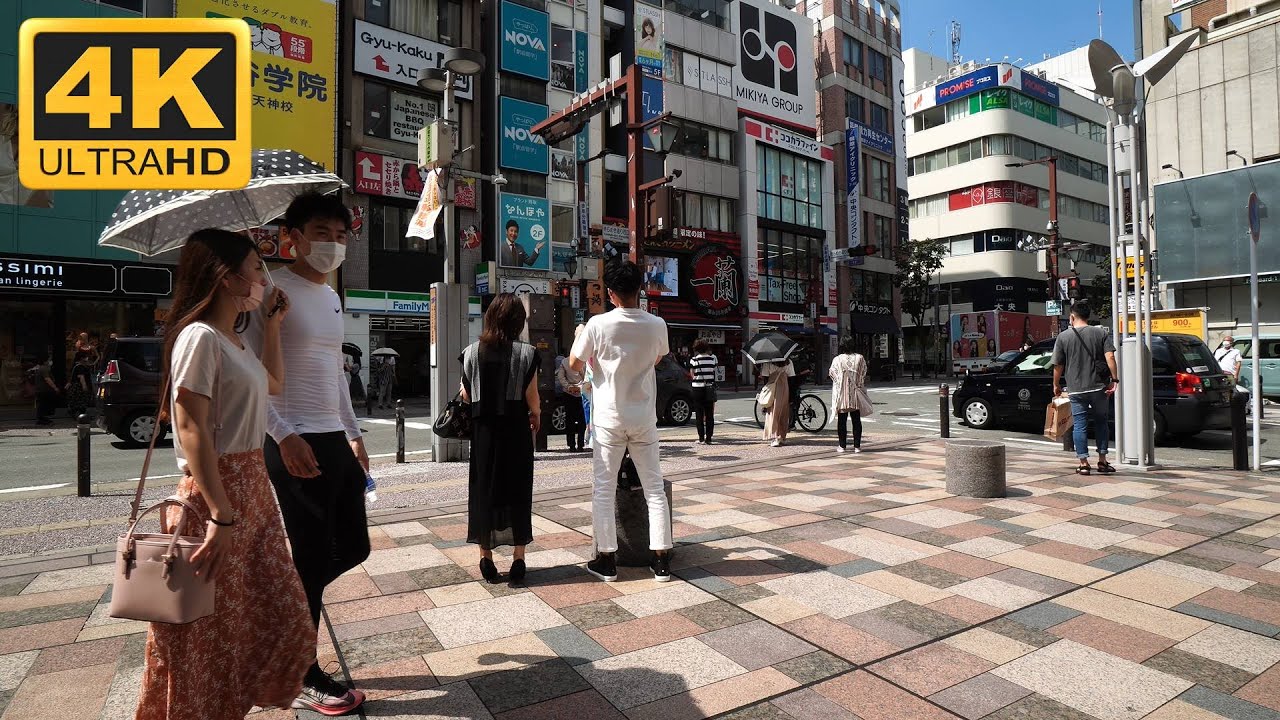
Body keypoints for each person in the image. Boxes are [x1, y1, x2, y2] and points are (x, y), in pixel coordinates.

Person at [134, 228, 314, 720]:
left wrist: (272, 326)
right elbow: (190, 424)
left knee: (279, 615)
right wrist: (220, 513)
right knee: (205, 633)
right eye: (258, 268)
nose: (265, 278)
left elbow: (272, 383)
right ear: (229, 277)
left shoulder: (232, 339)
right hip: (218, 496)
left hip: (252, 490)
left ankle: (227, 705)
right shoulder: (198, 337)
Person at [244, 193, 370, 715]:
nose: (332, 244)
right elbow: (253, 371)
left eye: (341, 235)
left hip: (331, 438)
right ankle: (301, 669)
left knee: (353, 547)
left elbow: (333, 372)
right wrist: (281, 435)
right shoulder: (270, 291)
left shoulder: (331, 296)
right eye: (321, 232)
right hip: (291, 438)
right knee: (314, 556)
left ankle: (277, 613)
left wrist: (354, 432)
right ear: (292, 237)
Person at [568, 260, 673, 582]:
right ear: (640, 289)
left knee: (603, 488)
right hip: (643, 417)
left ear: (610, 293)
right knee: (653, 487)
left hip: (608, 418)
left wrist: (589, 349)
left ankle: (607, 561)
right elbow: (658, 357)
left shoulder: (597, 325)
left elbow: (574, 365)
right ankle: (661, 562)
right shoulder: (657, 324)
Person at [460, 294, 540, 587]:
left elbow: (466, 395)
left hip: (483, 435)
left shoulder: (471, 353)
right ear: (519, 322)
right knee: (518, 489)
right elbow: (532, 395)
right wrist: (536, 415)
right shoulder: (527, 354)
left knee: (484, 490)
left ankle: (486, 557)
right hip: (516, 431)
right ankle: (519, 557)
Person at [1051, 302, 1119, 476]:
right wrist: (1115, 379)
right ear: (1088, 316)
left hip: (1076, 388)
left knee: (1080, 425)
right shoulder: (1100, 333)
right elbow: (1110, 356)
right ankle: (1103, 461)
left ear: (1072, 317)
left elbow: (1058, 365)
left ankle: (1083, 463)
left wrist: (1056, 385)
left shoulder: (1064, 337)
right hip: (1098, 387)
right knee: (1101, 423)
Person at [829, 338, 869, 453]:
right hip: (856, 393)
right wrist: (858, 383)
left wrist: (841, 382)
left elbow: (832, 373)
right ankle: (857, 446)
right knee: (856, 420)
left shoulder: (837, 359)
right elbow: (863, 373)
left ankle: (842, 446)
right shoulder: (860, 358)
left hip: (842, 394)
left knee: (842, 420)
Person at [556, 350, 587, 452]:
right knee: (582, 420)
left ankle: (571, 445)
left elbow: (560, 377)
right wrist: (579, 387)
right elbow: (586, 377)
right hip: (581, 393)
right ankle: (581, 445)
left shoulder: (564, 362)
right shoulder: (582, 362)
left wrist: (568, 387)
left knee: (570, 420)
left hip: (568, 393)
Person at [759, 359, 794, 447]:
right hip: (785, 387)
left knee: (772, 411)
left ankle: (775, 437)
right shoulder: (788, 361)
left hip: (772, 387)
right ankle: (782, 436)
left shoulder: (768, 362)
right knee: (783, 412)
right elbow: (791, 376)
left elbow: (765, 376)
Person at [688, 340, 717, 445]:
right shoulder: (712, 359)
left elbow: (692, 374)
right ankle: (709, 438)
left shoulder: (694, 360)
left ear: (696, 349)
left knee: (699, 414)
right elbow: (712, 372)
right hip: (709, 388)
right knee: (709, 413)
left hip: (697, 388)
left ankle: (701, 438)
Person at [31, 355, 59, 425]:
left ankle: (41, 418)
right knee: (44, 405)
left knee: (42, 405)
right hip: (44, 390)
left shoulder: (39, 368)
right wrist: (55, 387)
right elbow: (47, 379)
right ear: (45, 361)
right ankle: (41, 418)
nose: (50, 361)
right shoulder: (44, 369)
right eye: (49, 360)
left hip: (41, 390)